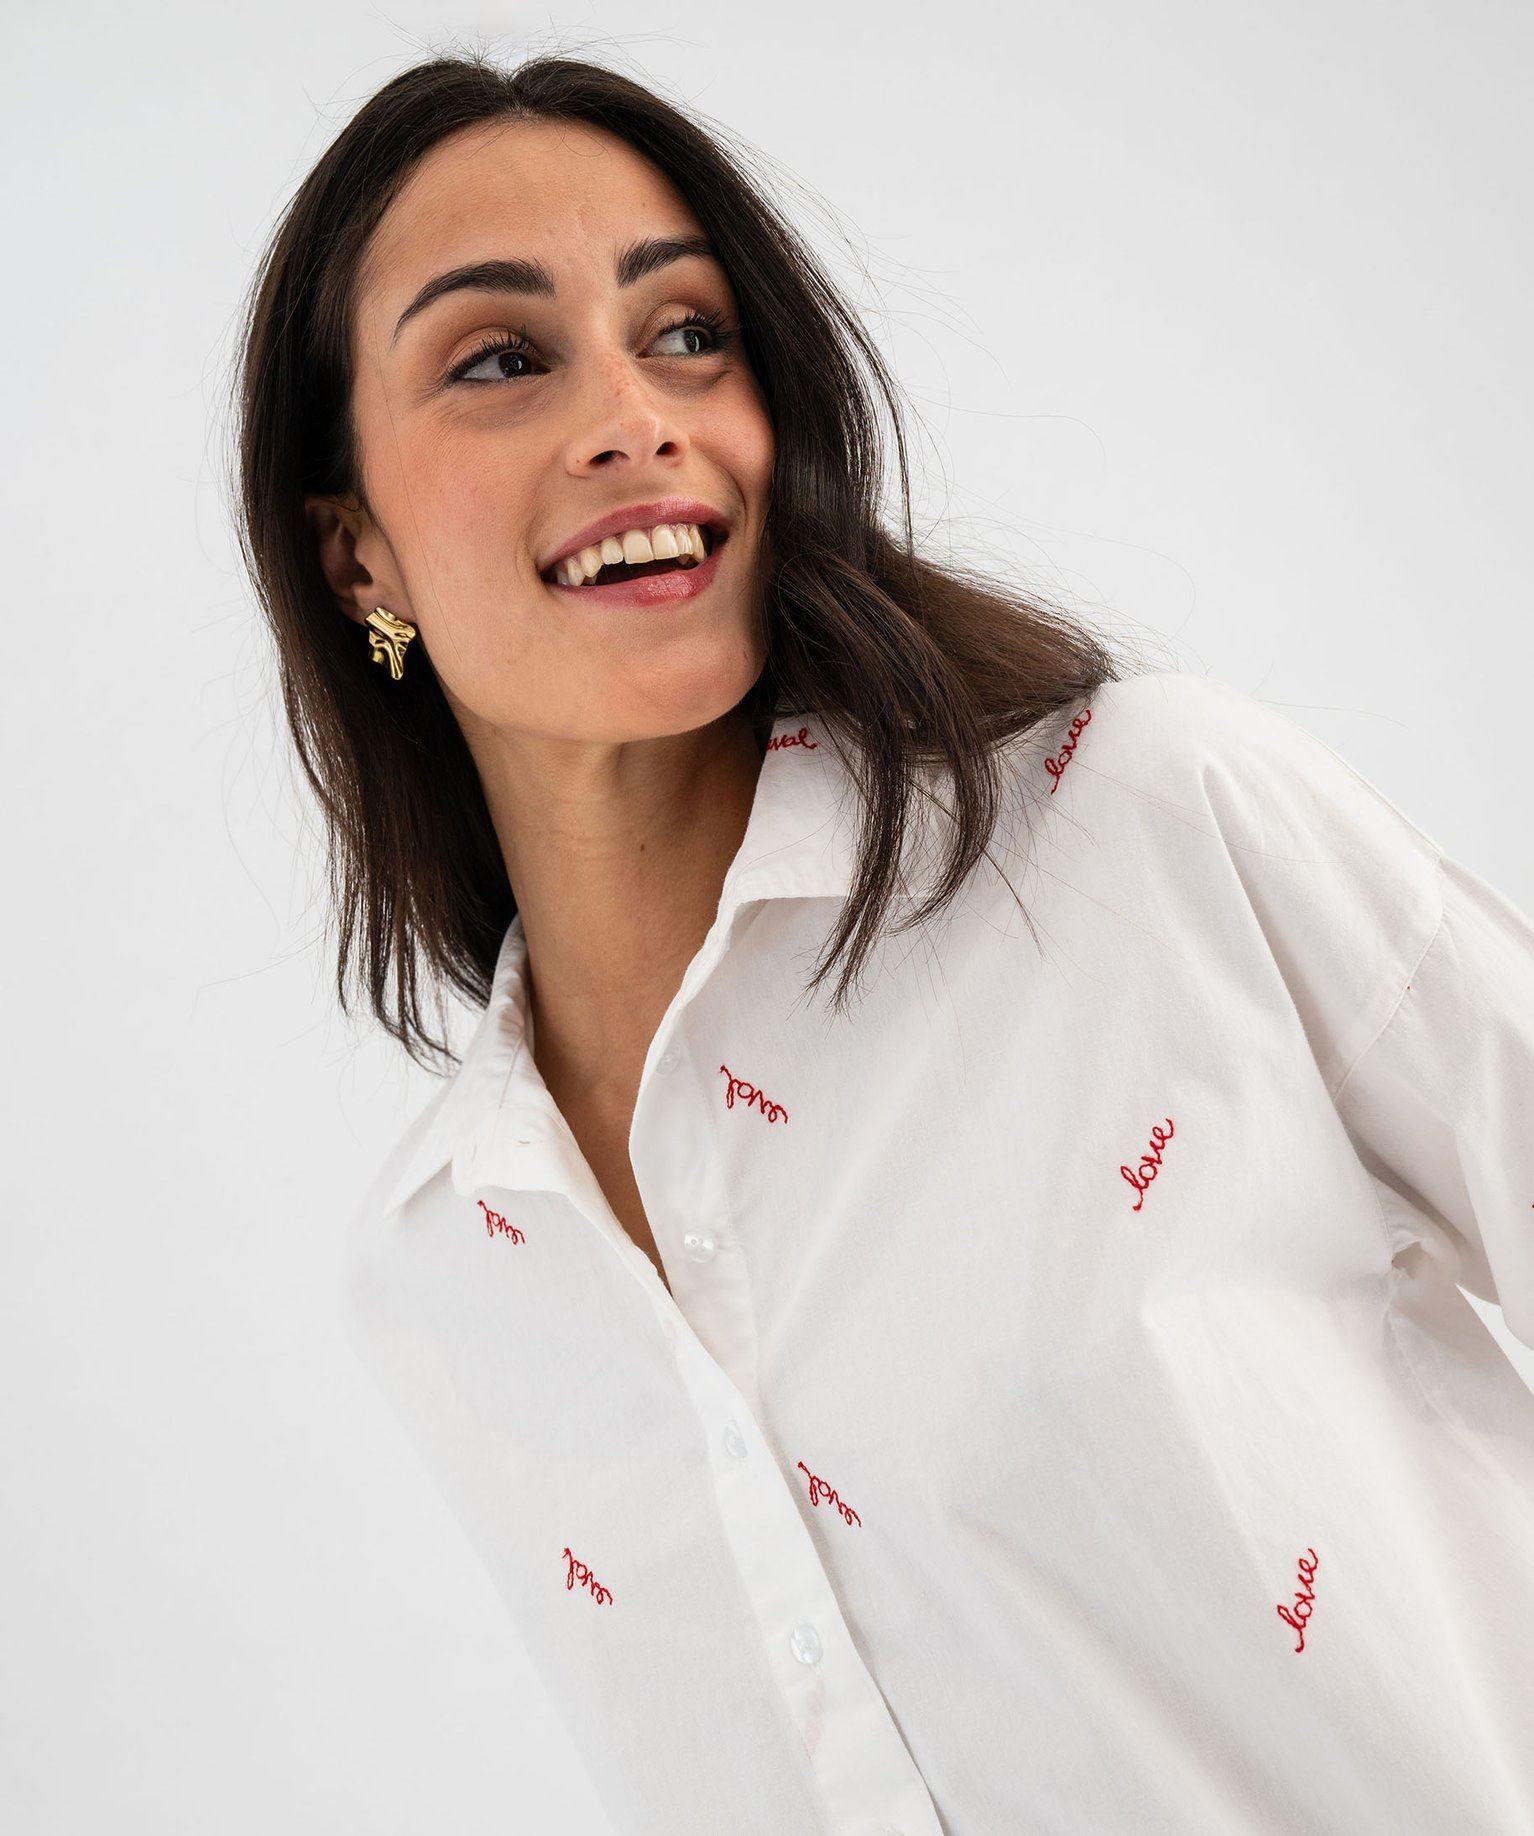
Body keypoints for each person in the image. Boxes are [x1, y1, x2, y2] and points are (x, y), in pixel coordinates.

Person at [233, 52, 1534, 1836]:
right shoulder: (445, 1267)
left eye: (689, 334)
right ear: (354, 559)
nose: (633, 416)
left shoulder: (1143, 831)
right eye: (500, 359)